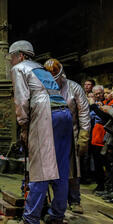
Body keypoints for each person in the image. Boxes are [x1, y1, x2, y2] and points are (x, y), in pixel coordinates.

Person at [5, 41, 73, 224]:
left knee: (41, 169)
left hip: (46, 115)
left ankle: (31, 220)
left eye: (11, 57)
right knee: (60, 169)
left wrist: (23, 125)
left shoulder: (19, 68)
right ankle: (57, 218)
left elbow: (21, 99)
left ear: (19, 55)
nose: (11, 62)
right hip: (64, 114)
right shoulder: (41, 68)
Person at [44, 59, 90, 214]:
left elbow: (83, 112)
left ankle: (75, 200)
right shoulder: (43, 87)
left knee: (73, 170)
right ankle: (53, 200)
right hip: (49, 133)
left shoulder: (74, 88)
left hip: (71, 134)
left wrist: (84, 134)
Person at [89, 85, 106, 193]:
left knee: (104, 162)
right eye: (96, 94)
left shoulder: (107, 104)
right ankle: (100, 184)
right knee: (96, 162)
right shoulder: (93, 106)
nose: (99, 95)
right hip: (94, 136)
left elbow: (104, 117)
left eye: (100, 93)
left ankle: (104, 185)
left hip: (103, 135)